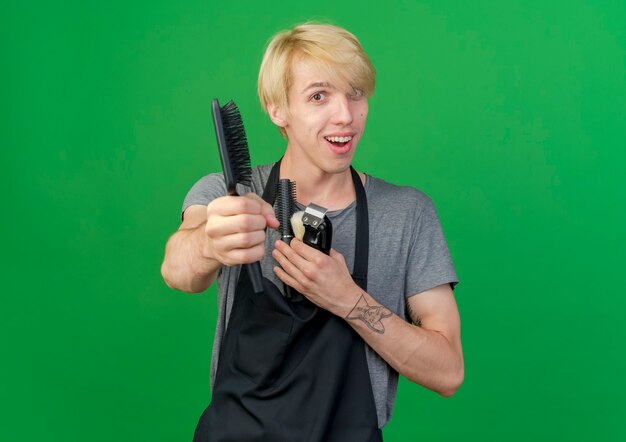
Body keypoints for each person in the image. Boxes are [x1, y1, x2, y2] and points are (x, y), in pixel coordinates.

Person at [161, 23, 463, 441]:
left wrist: (348, 299)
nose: (345, 115)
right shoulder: (229, 194)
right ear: (277, 109)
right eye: (319, 95)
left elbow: (447, 371)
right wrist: (209, 243)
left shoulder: (407, 214)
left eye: (355, 92)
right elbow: (178, 269)